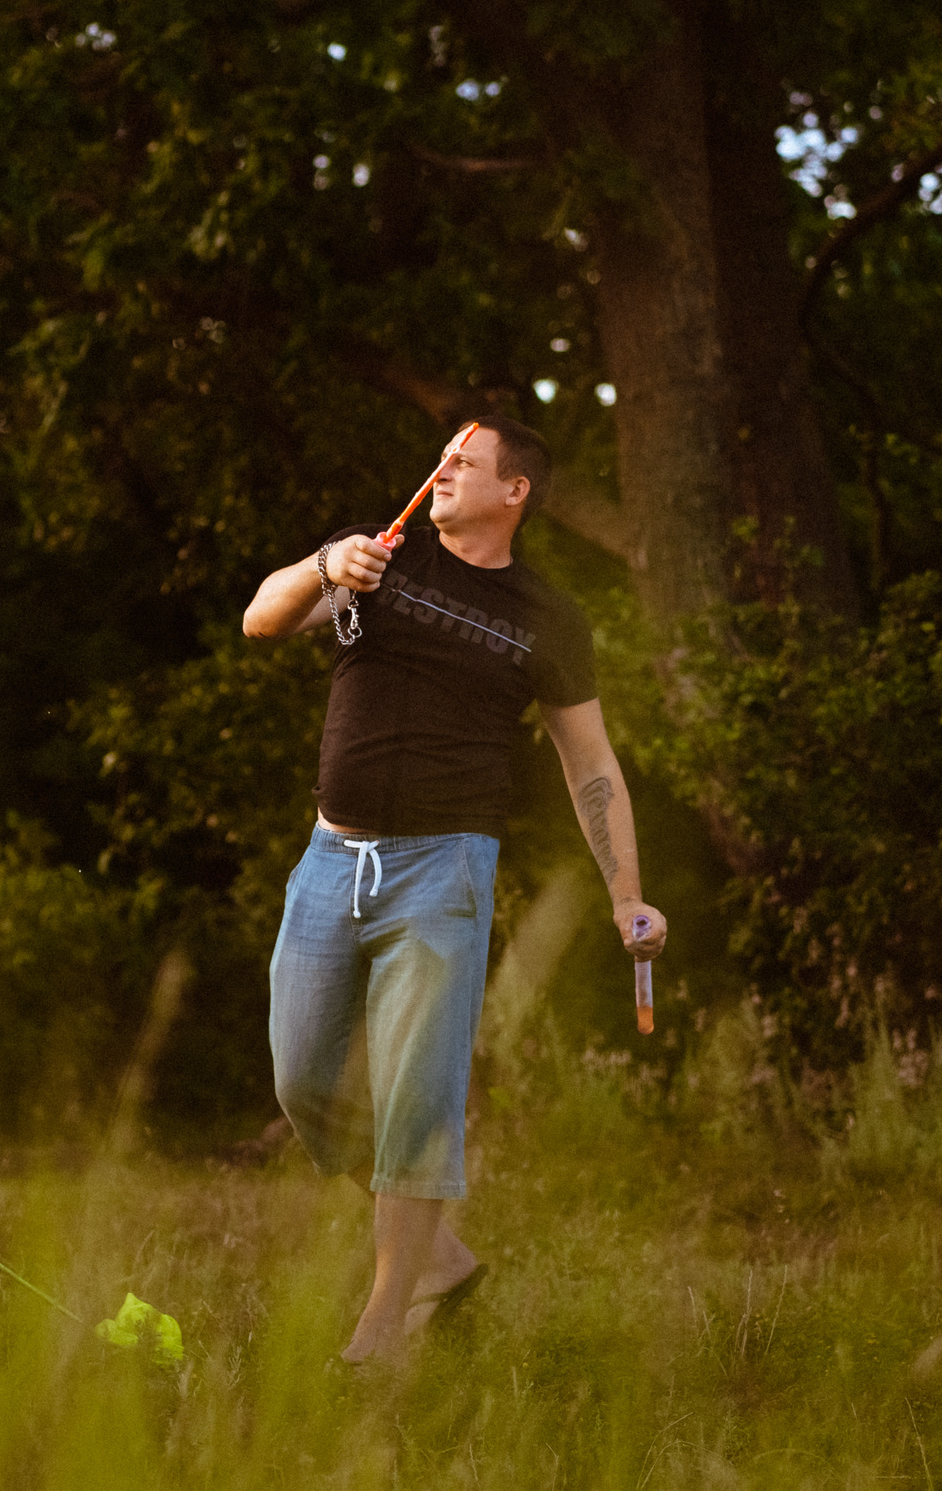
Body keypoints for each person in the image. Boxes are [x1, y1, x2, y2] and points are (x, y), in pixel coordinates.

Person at [240, 418, 668, 1367]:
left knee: (414, 1100)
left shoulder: (547, 616)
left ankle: (383, 1328)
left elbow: (591, 763)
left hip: (446, 870)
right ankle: (439, 1261)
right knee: (304, 1080)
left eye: (463, 463)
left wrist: (623, 894)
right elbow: (260, 619)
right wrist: (323, 563)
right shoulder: (378, 562)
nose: (440, 470)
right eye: (437, 456)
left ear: (514, 491)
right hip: (329, 861)